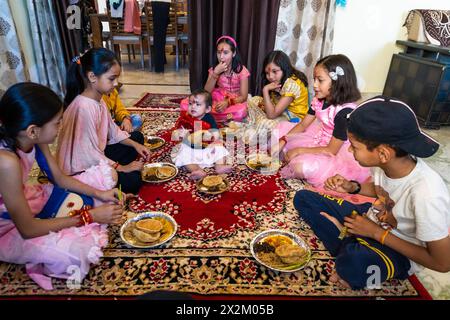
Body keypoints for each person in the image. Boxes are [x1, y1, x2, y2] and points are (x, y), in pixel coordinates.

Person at [294, 96, 450, 290]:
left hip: (398, 249)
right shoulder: (384, 164)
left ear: (383, 153)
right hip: (372, 216)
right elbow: (380, 191)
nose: (350, 150)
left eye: (354, 146)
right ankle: (349, 240)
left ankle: (347, 241)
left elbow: (443, 263)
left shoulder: (428, 193)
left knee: (355, 264)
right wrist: (352, 187)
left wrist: (376, 233)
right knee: (303, 198)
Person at [0, 82, 124, 290]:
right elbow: (28, 229)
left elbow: (59, 178)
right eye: (57, 123)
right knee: (77, 256)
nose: (61, 127)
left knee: (108, 176)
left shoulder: (33, 138)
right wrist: (90, 216)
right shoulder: (6, 162)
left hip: (28, 199)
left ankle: (81, 215)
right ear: (33, 131)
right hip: (10, 226)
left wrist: (99, 193)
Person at [57, 48, 150, 194]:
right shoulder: (84, 107)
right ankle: (121, 172)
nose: (116, 84)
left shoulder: (99, 101)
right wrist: (122, 168)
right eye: (112, 79)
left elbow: (113, 131)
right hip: (80, 168)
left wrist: (135, 145)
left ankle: (124, 164)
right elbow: (88, 155)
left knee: (137, 138)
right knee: (133, 181)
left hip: (96, 154)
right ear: (93, 77)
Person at [273, 54, 370, 187]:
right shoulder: (319, 100)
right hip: (317, 136)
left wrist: (299, 150)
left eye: (320, 80)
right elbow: (302, 125)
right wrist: (284, 139)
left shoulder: (344, 112)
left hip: (334, 149)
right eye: (314, 79)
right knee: (276, 133)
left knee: (299, 167)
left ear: (337, 82)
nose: (315, 85)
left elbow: (331, 150)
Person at [180, 36, 250, 123]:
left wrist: (227, 103)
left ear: (234, 53)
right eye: (219, 53)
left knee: (241, 111)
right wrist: (215, 73)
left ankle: (206, 116)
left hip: (234, 101)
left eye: (225, 53)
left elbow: (244, 97)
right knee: (184, 104)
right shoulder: (215, 69)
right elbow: (206, 92)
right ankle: (214, 116)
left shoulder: (242, 71)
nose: (221, 57)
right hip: (217, 98)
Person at [172, 89, 231, 180]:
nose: (193, 107)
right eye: (190, 104)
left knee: (220, 146)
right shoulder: (185, 118)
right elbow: (176, 133)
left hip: (207, 148)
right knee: (183, 152)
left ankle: (220, 166)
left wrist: (212, 136)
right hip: (191, 148)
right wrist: (181, 134)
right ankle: (197, 170)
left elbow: (215, 134)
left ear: (207, 109)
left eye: (198, 104)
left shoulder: (209, 118)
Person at [247, 50, 309, 131]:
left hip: (294, 118)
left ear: (284, 68)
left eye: (274, 71)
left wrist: (265, 90)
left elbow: (271, 115)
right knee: (254, 100)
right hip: (280, 110)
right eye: (267, 73)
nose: (271, 77)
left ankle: (256, 123)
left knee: (265, 124)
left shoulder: (291, 84)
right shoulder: (280, 80)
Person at [151, 0, 171, 73]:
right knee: (160, 36)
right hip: (162, 3)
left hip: (159, 3)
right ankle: (159, 66)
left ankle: (160, 64)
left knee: (159, 36)